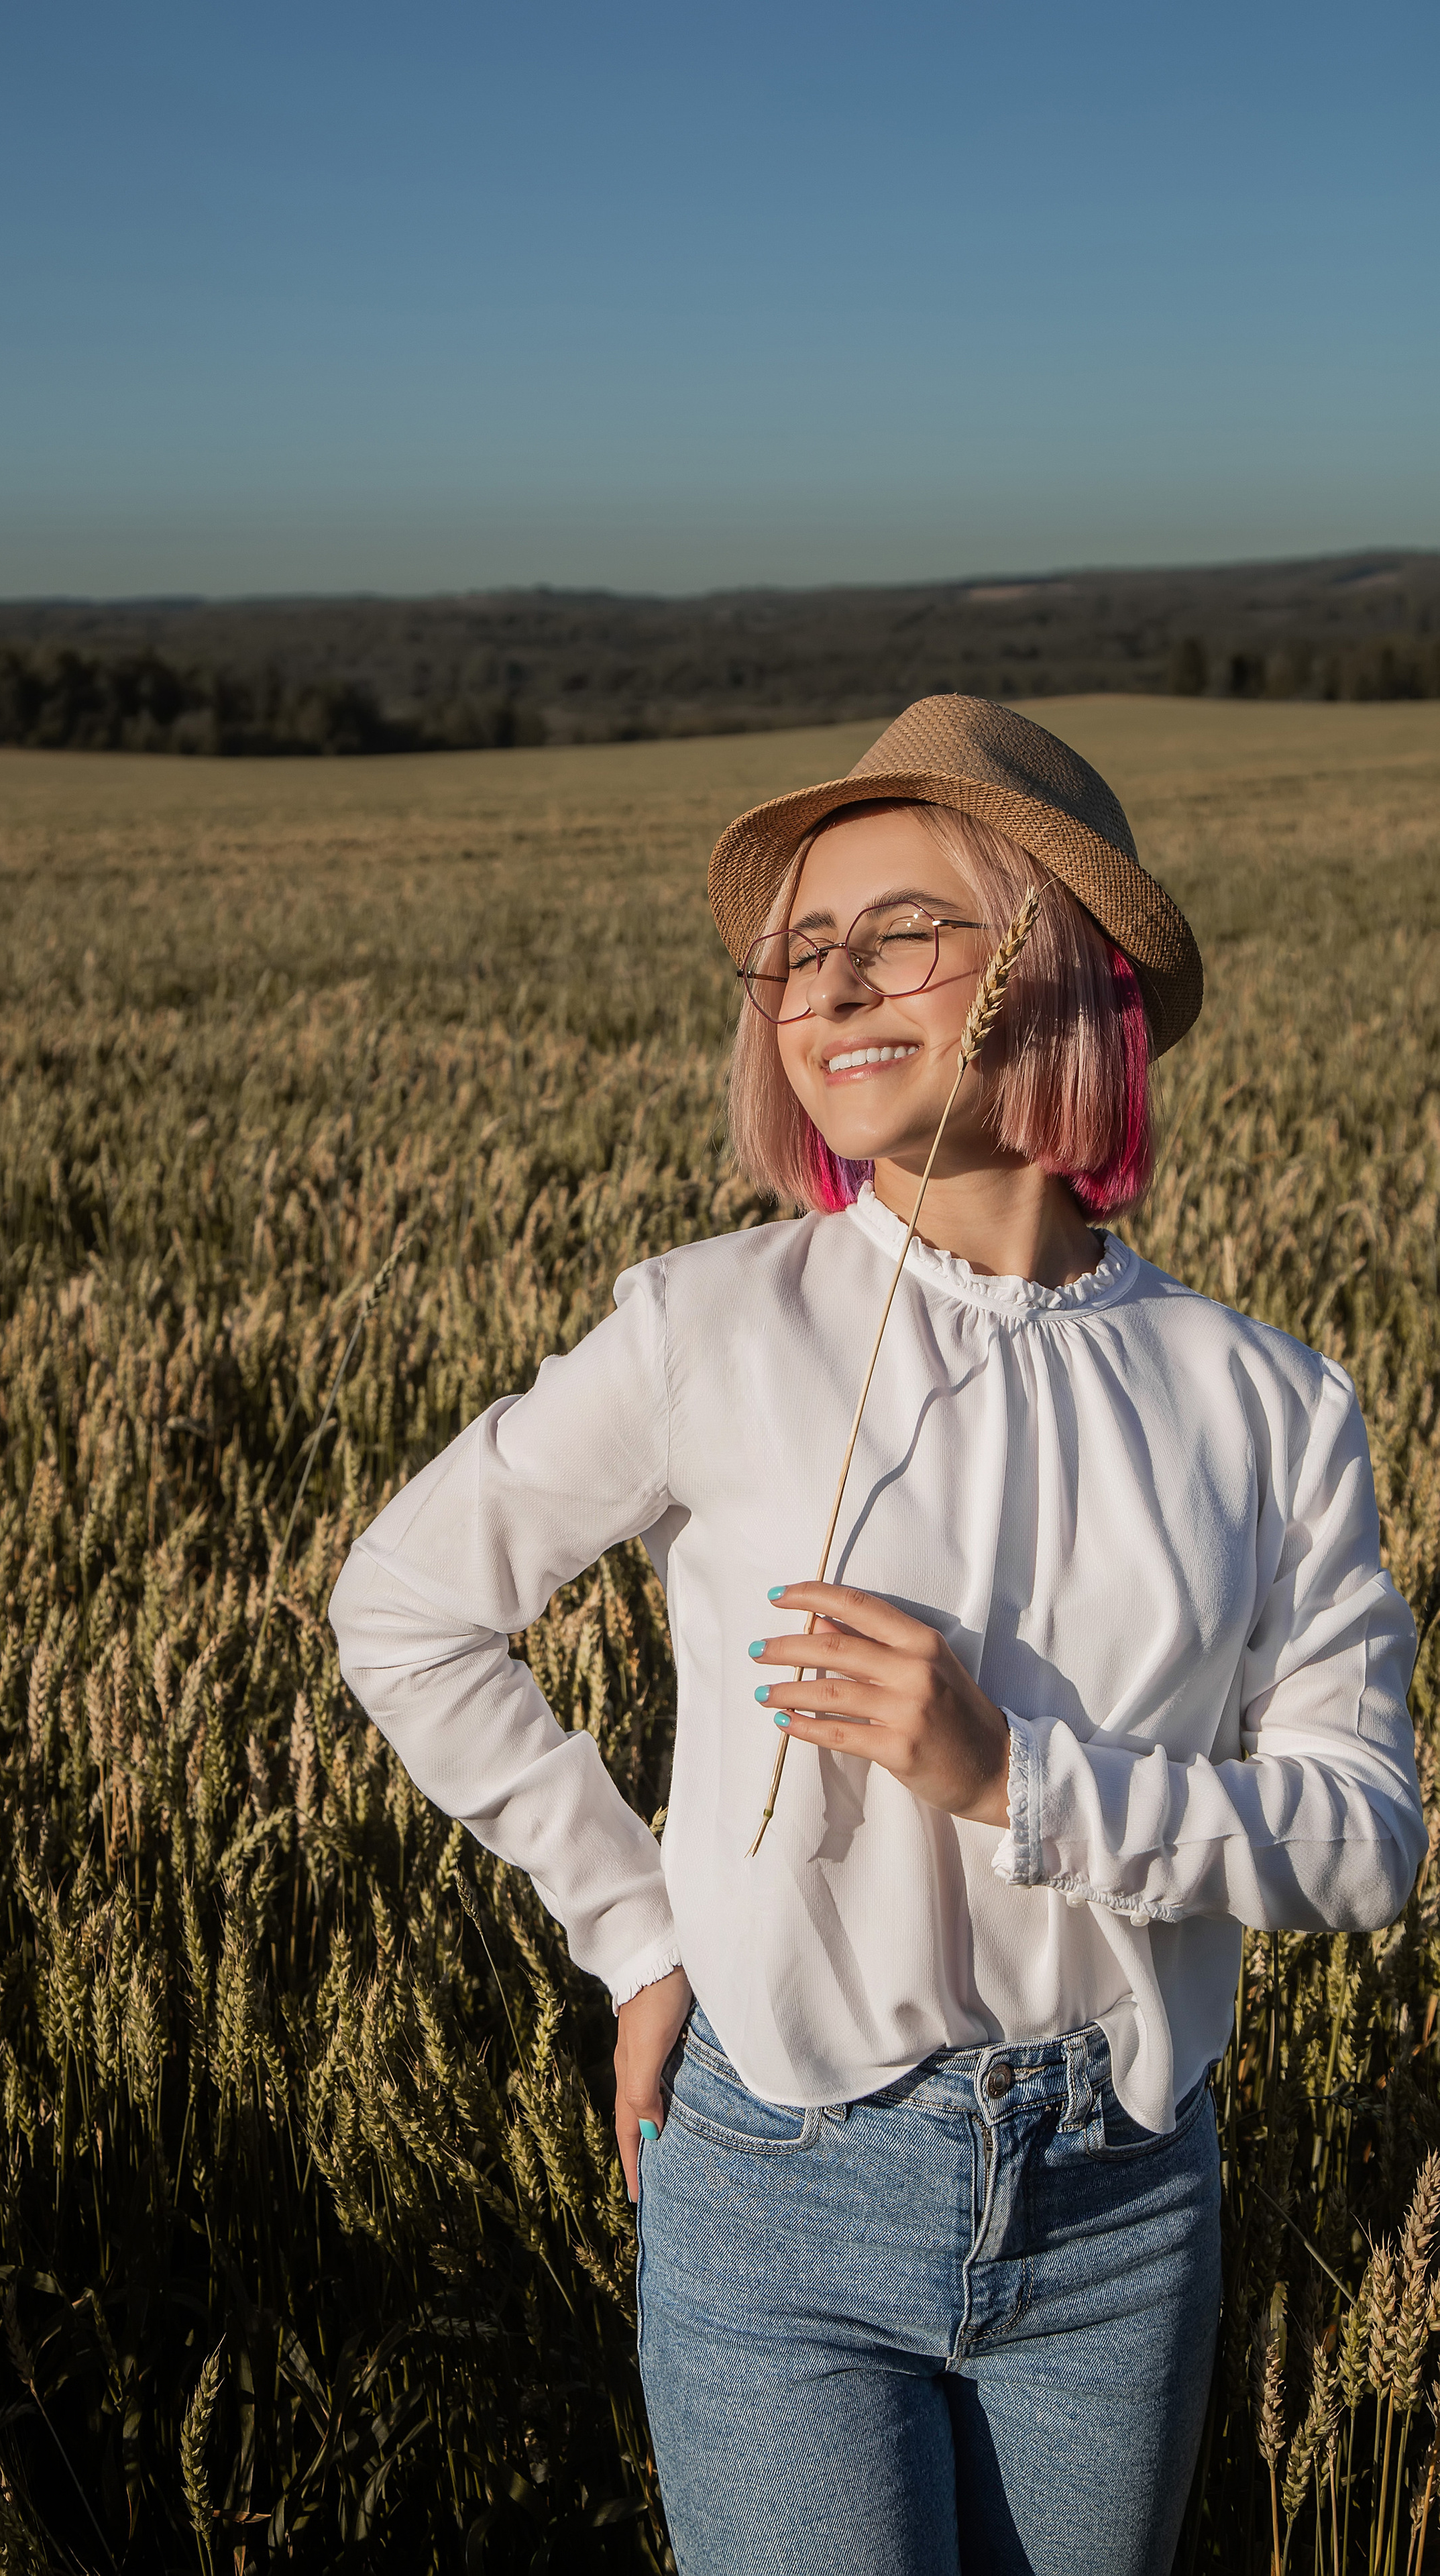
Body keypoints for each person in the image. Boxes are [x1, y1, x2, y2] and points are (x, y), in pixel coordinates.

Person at [328, 695, 1423, 2575]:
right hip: (778, 2187)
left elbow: (1367, 1842)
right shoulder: (710, 1328)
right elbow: (408, 1610)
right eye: (799, 951)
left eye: (900, 927)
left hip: (1122, 2210)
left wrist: (1013, 1777)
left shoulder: (1266, 1404)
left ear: (1054, 958)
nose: (830, 983)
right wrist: (640, 1933)